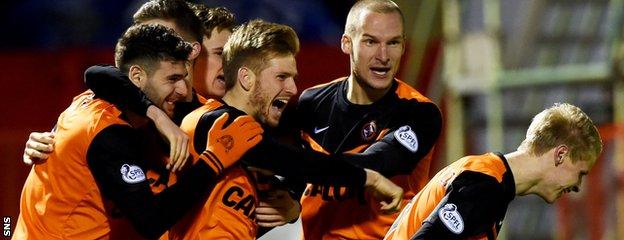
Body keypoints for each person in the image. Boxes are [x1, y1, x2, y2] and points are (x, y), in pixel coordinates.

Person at [14, 24, 264, 239]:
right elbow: (150, 221)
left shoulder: (94, 99)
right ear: (136, 76)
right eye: (172, 79)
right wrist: (212, 162)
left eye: (184, 78)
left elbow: (98, 73)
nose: (182, 90)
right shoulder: (108, 133)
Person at [288, 0, 442, 239]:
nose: (383, 56)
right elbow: (294, 183)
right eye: (371, 41)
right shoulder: (312, 102)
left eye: (393, 43)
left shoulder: (420, 113)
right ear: (346, 43)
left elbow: (375, 163)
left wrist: (294, 163)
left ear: (403, 46)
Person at [383, 103, 603, 240]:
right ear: (561, 154)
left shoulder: (489, 176)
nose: (578, 186)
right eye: (581, 173)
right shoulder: (485, 186)